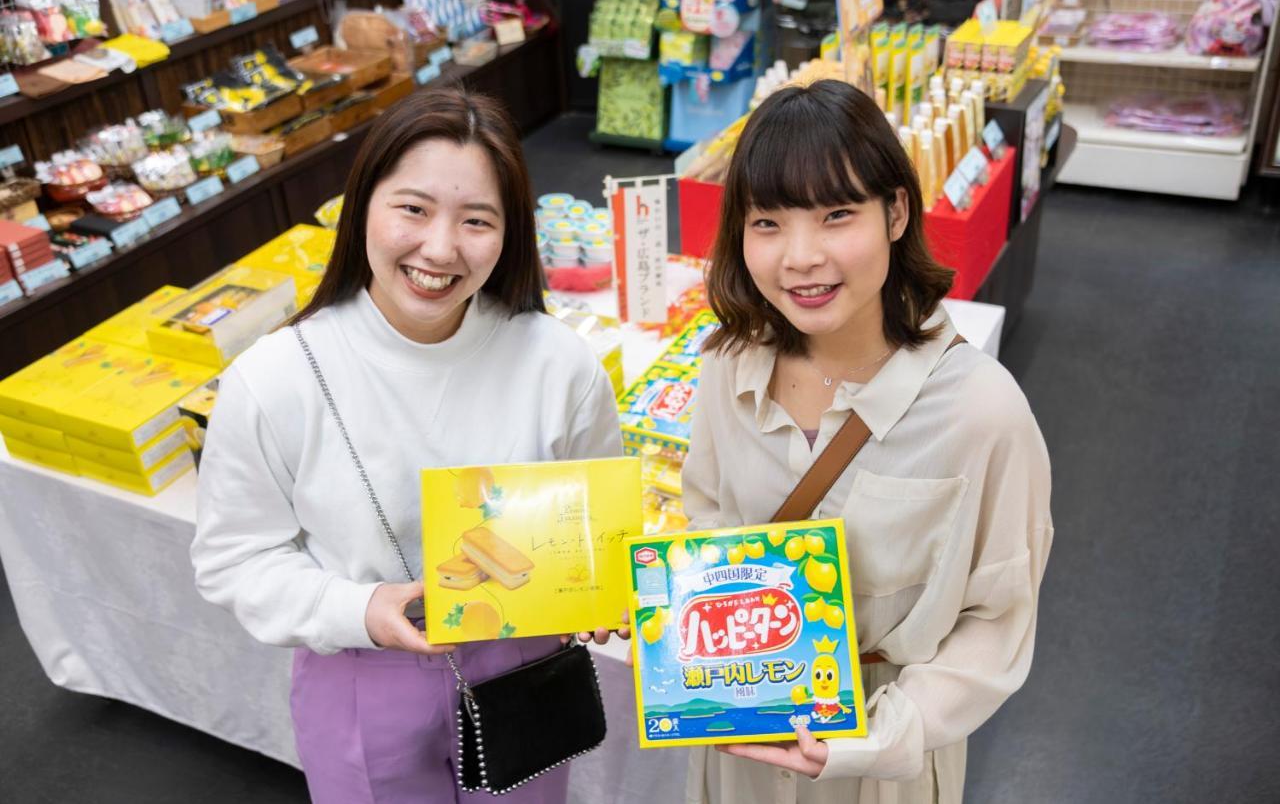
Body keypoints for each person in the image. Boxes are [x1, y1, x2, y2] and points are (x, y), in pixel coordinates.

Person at [191, 87, 624, 804]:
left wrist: (601, 583)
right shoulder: (275, 379)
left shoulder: (560, 363)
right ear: (363, 203)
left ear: (510, 231)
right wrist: (358, 609)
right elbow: (234, 558)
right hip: (361, 670)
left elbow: (601, 530)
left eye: (477, 219)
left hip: (525, 662)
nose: (441, 247)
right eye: (413, 209)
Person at [681, 79, 1053, 803]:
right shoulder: (728, 367)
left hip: (884, 759)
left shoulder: (982, 411)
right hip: (743, 737)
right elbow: (708, 525)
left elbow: (999, 619)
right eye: (767, 223)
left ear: (896, 212)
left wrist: (879, 736)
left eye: (836, 215)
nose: (801, 257)